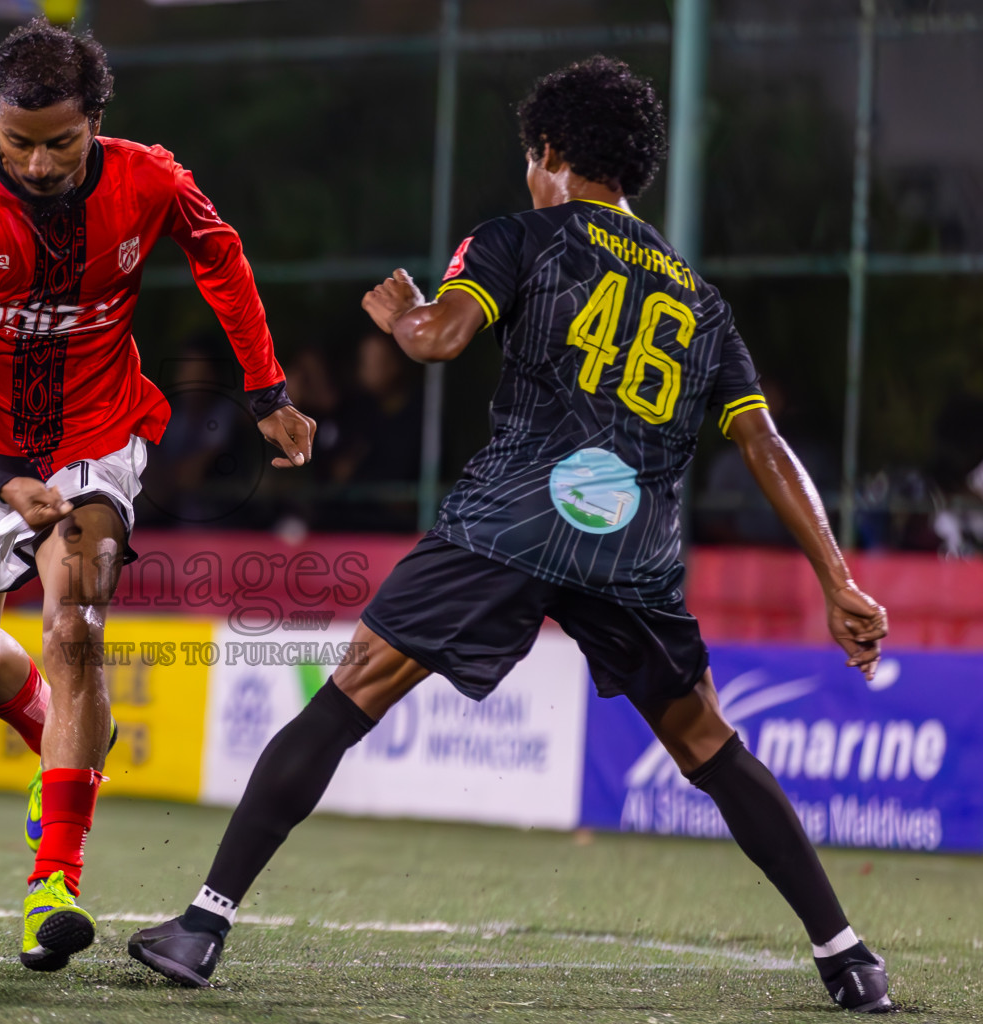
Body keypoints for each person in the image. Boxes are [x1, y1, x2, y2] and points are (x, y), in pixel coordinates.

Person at [127, 56, 893, 1014]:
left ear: (549, 153)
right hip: (631, 543)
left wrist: (403, 313)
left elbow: (439, 340)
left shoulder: (518, 236)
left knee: (355, 688)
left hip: (514, 518)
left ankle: (201, 926)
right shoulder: (700, 299)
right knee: (708, 742)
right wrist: (837, 578)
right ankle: (849, 957)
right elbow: (764, 442)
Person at [0, 19, 314, 973]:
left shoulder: (151, 178)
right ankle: (64, 731)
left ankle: (53, 881)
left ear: (97, 119)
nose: (41, 163)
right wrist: (1, 473)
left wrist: (266, 390)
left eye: (61, 141)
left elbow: (222, 254)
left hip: (99, 431)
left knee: (77, 625)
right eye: (20, 142)